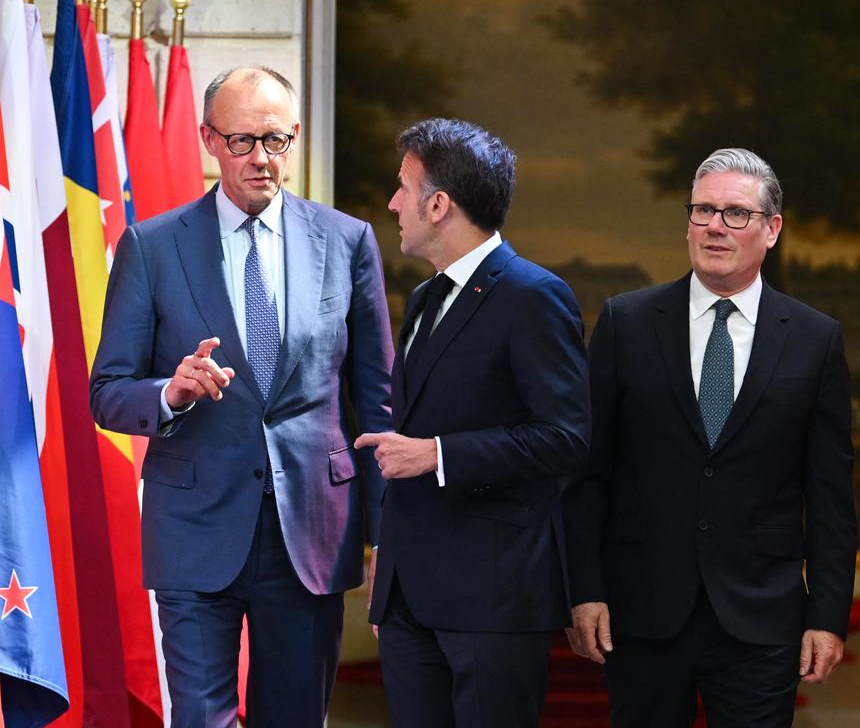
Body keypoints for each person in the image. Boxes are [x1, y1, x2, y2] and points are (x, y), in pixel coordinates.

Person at [90, 67, 393, 726]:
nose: (261, 157)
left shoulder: (347, 242)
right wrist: (168, 391)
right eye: (241, 140)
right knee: (201, 717)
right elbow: (108, 392)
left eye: (276, 140)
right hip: (194, 525)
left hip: (311, 529)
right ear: (206, 138)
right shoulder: (152, 245)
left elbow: (379, 403)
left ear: (296, 137)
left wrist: (386, 534)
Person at [562, 148, 857, 727]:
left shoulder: (815, 339)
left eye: (735, 213)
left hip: (761, 614)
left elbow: (830, 496)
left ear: (772, 229)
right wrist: (584, 589)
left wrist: (826, 616)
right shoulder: (627, 321)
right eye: (702, 211)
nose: (715, 226)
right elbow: (588, 473)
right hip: (641, 610)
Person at [356, 118, 590, 728]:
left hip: (493, 598)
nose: (392, 203)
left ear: (439, 204)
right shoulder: (427, 299)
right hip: (410, 596)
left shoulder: (534, 295)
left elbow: (566, 437)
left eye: (403, 188)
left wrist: (437, 454)